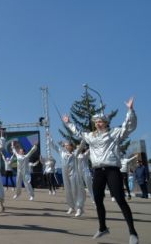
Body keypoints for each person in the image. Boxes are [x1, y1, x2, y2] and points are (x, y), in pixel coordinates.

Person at [64, 97, 139, 244]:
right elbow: (79, 133)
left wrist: (130, 110)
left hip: (112, 170)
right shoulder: (91, 137)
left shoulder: (115, 133)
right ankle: (103, 227)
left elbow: (129, 126)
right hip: (98, 171)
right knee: (98, 200)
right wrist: (68, 123)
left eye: (101, 121)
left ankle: (133, 233)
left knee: (120, 199)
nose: (99, 124)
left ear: (106, 123)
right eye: (97, 122)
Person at [49, 136, 85, 217]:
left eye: (67, 145)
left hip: (74, 174)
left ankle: (79, 208)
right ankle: (71, 206)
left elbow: (82, 146)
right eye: (64, 145)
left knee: (75, 191)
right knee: (68, 191)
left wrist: (83, 137)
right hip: (65, 174)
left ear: (71, 146)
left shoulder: (75, 153)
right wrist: (49, 138)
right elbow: (54, 146)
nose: (65, 146)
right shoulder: (62, 153)